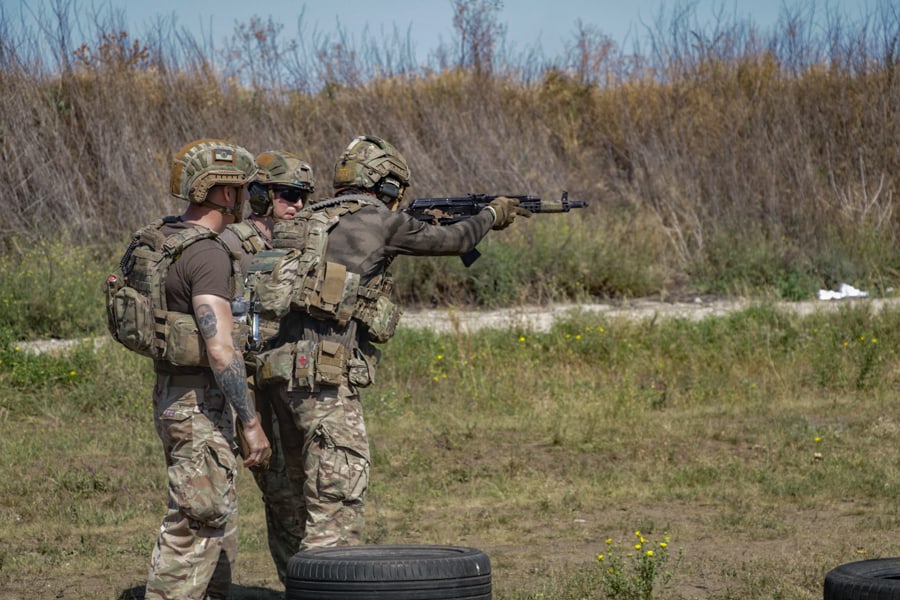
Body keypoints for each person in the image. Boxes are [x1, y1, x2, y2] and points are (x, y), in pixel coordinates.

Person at [253, 134, 530, 582]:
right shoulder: (379, 221)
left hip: (274, 377)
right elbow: (456, 240)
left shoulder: (303, 219)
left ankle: (296, 587)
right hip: (324, 380)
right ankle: (327, 593)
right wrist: (491, 215)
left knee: (292, 504)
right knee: (337, 501)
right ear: (385, 185)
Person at [142, 138, 271, 600]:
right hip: (199, 406)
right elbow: (220, 350)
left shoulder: (167, 240)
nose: (245, 199)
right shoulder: (207, 253)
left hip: (173, 397)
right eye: (241, 189)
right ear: (222, 192)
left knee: (213, 515)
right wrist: (251, 422)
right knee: (194, 527)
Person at [220, 150, 316, 582]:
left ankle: (298, 583)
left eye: (303, 197)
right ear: (261, 196)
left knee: (300, 491)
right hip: (244, 388)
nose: (296, 205)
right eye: (287, 195)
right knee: (278, 492)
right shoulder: (231, 243)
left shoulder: (298, 242)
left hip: (287, 384)